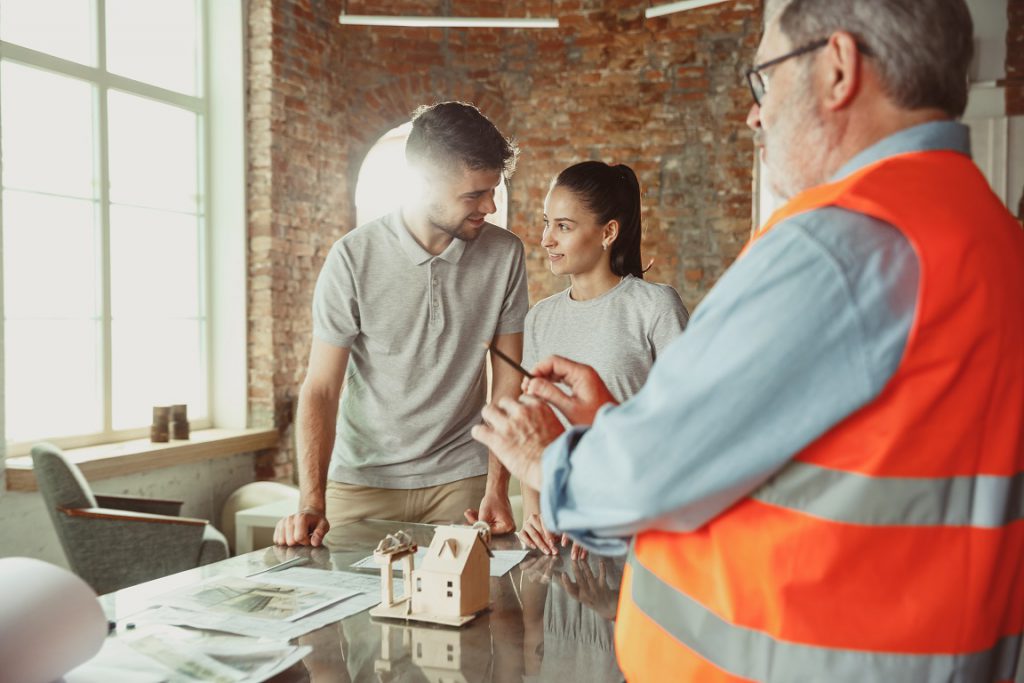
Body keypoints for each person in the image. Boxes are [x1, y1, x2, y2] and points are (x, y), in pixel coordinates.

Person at [471, 1, 1024, 681]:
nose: (753, 116)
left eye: (762, 82)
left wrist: (549, 458)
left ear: (839, 69)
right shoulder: (990, 235)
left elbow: (649, 474)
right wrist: (617, 422)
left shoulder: (841, 244)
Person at [274, 101, 529, 548]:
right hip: (361, 483)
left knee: (468, 612)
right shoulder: (352, 258)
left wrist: (497, 487)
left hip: (461, 481)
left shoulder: (505, 254)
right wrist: (311, 501)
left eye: (494, 190)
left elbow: (507, 378)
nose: (489, 206)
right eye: (474, 195)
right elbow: (321, 388)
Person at [519, 161, 688, 559]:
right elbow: (533, 421)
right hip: (554, 540)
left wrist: (608, 520)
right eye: (547, 223)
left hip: (630, 532)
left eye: (563, 226)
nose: (546, 239)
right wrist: (533, 511)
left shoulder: (655, 307)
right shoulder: (539, 318)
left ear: (608, 232)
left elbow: (681, 427)